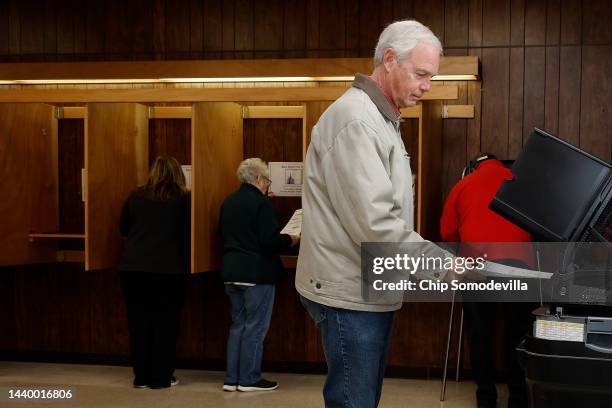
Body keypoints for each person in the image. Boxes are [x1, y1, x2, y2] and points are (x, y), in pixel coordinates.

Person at [296, 20, 444, 407]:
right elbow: (374, 225)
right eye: (422, 74)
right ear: (390, 60)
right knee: (354, 402)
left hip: (367, 288)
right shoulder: (357, 120)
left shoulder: (381, 119)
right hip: (350, 293)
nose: (427, 86)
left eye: (432, 77)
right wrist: (441, 264)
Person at [440, 153, 535, 408]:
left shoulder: (463, 184)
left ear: (475, 167)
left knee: (480, 333)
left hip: (476, 267)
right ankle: (518, 397)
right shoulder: (520, 182)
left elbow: (447, 231)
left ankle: (485, 397)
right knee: (518, 334)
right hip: (519, 267)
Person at [219, 158, 299, 392]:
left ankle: (232, 378)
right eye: (266, 180)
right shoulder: (261, 204)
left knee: (238, 326)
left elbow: (221, 233)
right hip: (256, 273)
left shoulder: (229, 201)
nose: (267, 185)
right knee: (255, 327)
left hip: (231, 271)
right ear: (258, 179)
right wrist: (292, 239)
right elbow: (269, 240)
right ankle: (249, 378)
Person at [118, 155, 190, 389]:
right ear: (178, 173)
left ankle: (141, 377)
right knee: (165, 324)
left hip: (133, 269)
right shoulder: (184, 199)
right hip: (168, 269)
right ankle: (160, 377)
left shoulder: (136, 196)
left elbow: (123, 227)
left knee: (138, 323)